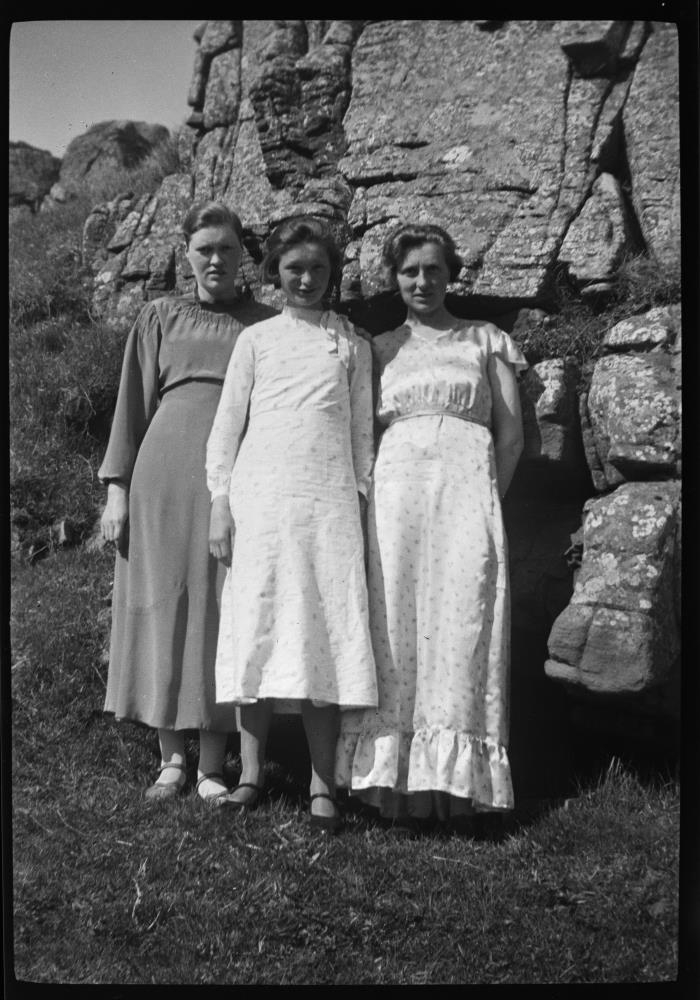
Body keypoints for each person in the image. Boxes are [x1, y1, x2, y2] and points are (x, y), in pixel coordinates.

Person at [335, 222, 527, 823]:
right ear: (395, 278)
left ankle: (456, 787)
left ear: (451, 275)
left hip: (467, 496)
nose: (422, 281)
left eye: (433, 269)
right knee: (393, 625)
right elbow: (361, 436)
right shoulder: (378, 349)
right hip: (396, 502)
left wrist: (487, 498)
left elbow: (511, 435)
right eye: (410, 271)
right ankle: (390, 782)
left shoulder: (485, 339)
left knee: (464, 624)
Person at [99, 201, 275, 804]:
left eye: (226, 248)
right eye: (204, 249)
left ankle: (213, 764)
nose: (216, 260)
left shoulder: (266, 325)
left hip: (234, 485)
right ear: (186, 254)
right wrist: (117, 489)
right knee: (163, 605)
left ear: (242, 253)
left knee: (221, 613)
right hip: (162, 482)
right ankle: (171, 759)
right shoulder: (159, 317)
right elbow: (131, 405)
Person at [206, 216, 378, 832]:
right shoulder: (255, 340)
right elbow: (227, 426)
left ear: (333, 274)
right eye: (294, 268)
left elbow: (362, 435)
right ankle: (251, 775)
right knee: (257, 624)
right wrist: (220, 501)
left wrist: (358, 501)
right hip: (260, 503)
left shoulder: (351, 345)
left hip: (328, 505)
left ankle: (321, 783)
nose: (306, 279)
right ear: (274, 273)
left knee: (321, 633)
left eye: (317, 269)